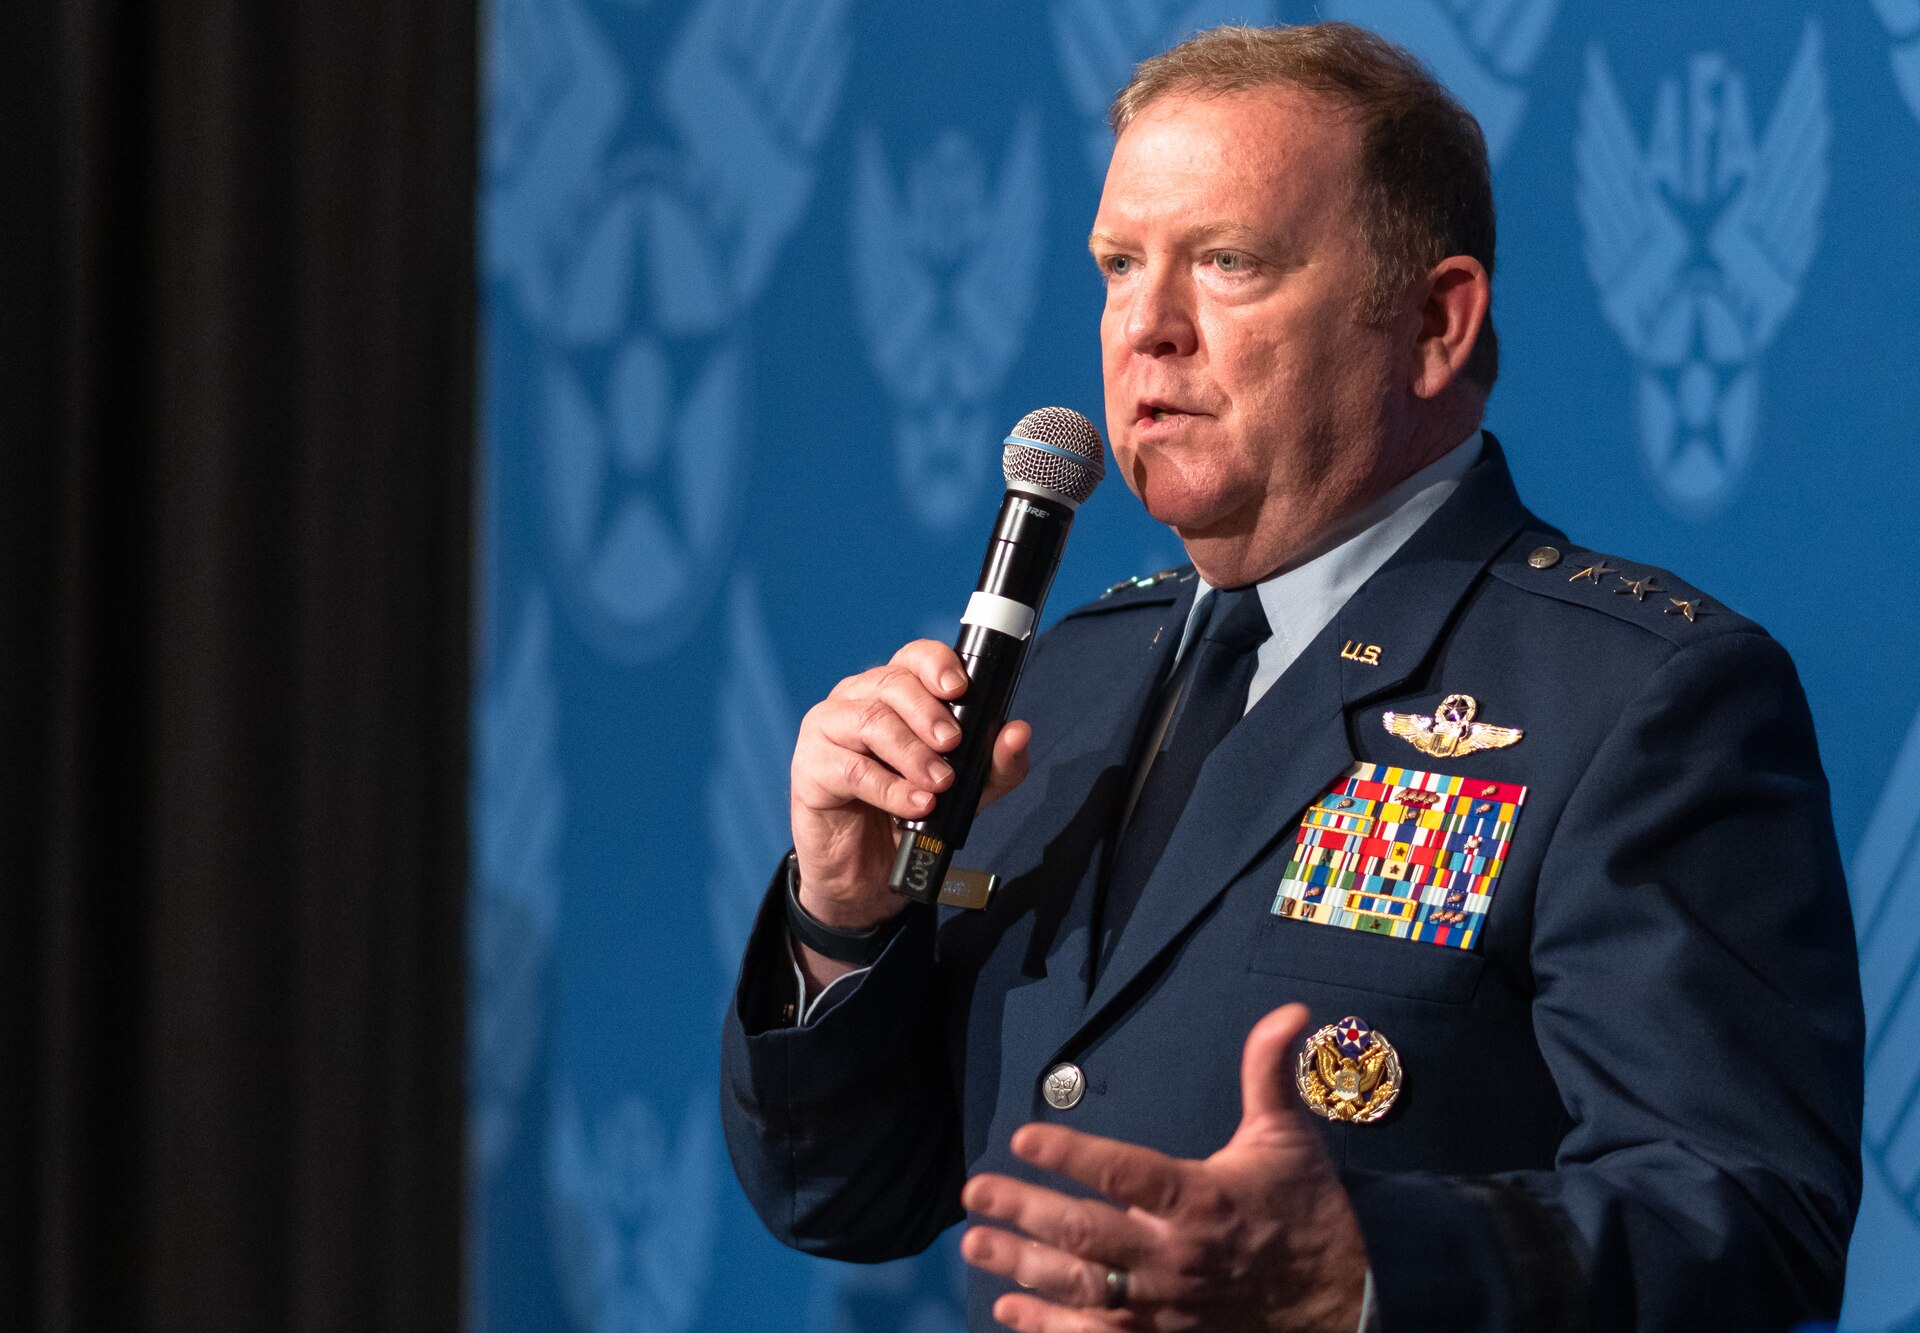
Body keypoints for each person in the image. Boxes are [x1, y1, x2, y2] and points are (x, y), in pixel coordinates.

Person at [721, 22, 1863, 1333]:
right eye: (1117, 266)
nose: (1147, 328)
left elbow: (1746, 1217)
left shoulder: (1642, 698)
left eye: (1227, 263)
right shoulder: (1069, 678)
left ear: (1436, 322)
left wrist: (1363, 1273)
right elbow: (846, 1198)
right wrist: (844, 922)